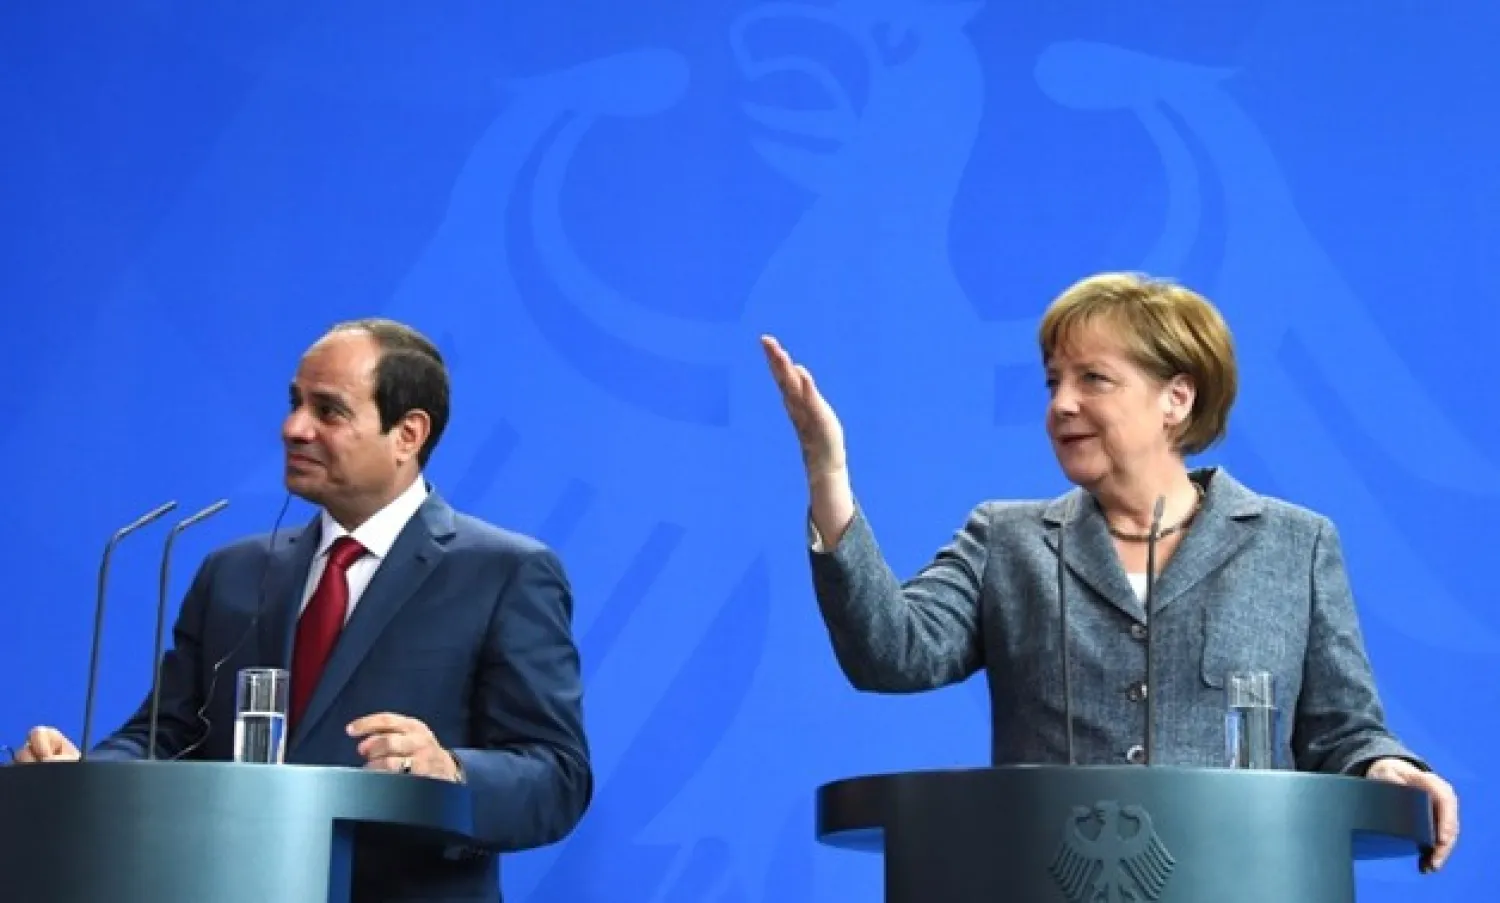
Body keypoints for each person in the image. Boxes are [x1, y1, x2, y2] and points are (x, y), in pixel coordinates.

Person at [761, 272, 1459, 874]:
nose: (1061, 403)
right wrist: (829, 472)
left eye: (1093, 378)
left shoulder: (1294, 543)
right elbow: (892, 652)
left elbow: (1343, 729)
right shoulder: (1006, 539)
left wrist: (1386, 767)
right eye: (1053, 381)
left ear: (1176, 399)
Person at [13, 319, 592, 902]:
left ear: (408, 434)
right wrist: (83, 776)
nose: (294, 428)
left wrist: (452, 772)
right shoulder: (232, 571)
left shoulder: (504, 572)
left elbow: (557, 776)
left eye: (329, 411)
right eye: (294, 403)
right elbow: (165, 734)